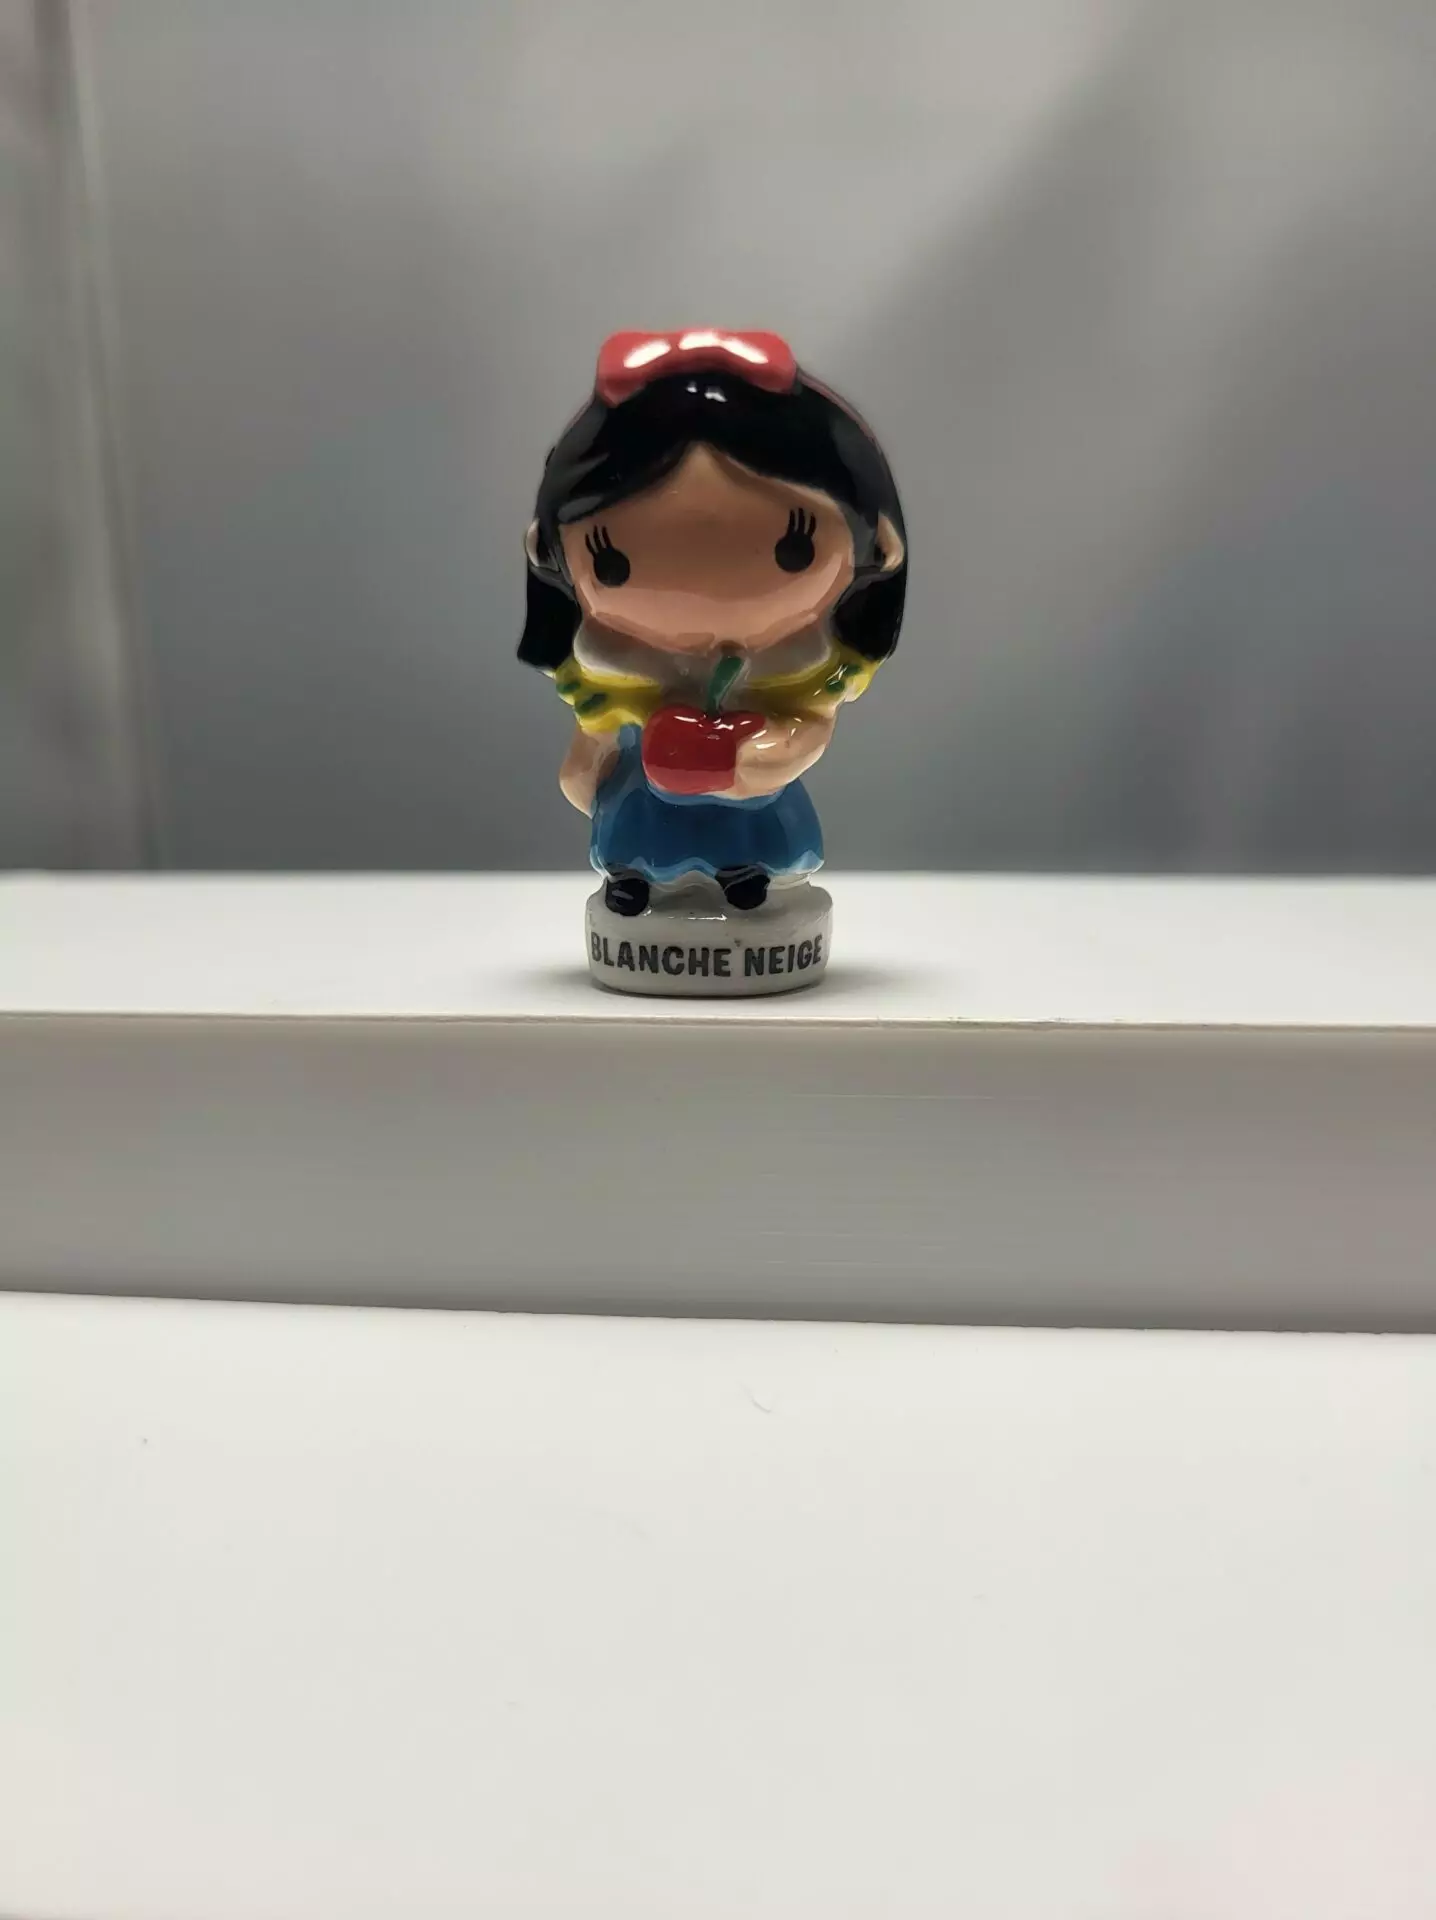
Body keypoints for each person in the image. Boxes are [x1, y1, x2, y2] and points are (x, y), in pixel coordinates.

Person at [518, 330, 906, 915]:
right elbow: (591, 746)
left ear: (877, 546)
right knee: (635, 830)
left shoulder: (799, 673)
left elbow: (807, 731)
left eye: (794, 550)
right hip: (643, 787)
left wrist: (760, 754)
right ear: (551, 556)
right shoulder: (612, 676)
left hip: (749, 794)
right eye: (611, 562)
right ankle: (632, 877)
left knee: (748, 835)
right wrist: (587, 761)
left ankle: (743, 877)